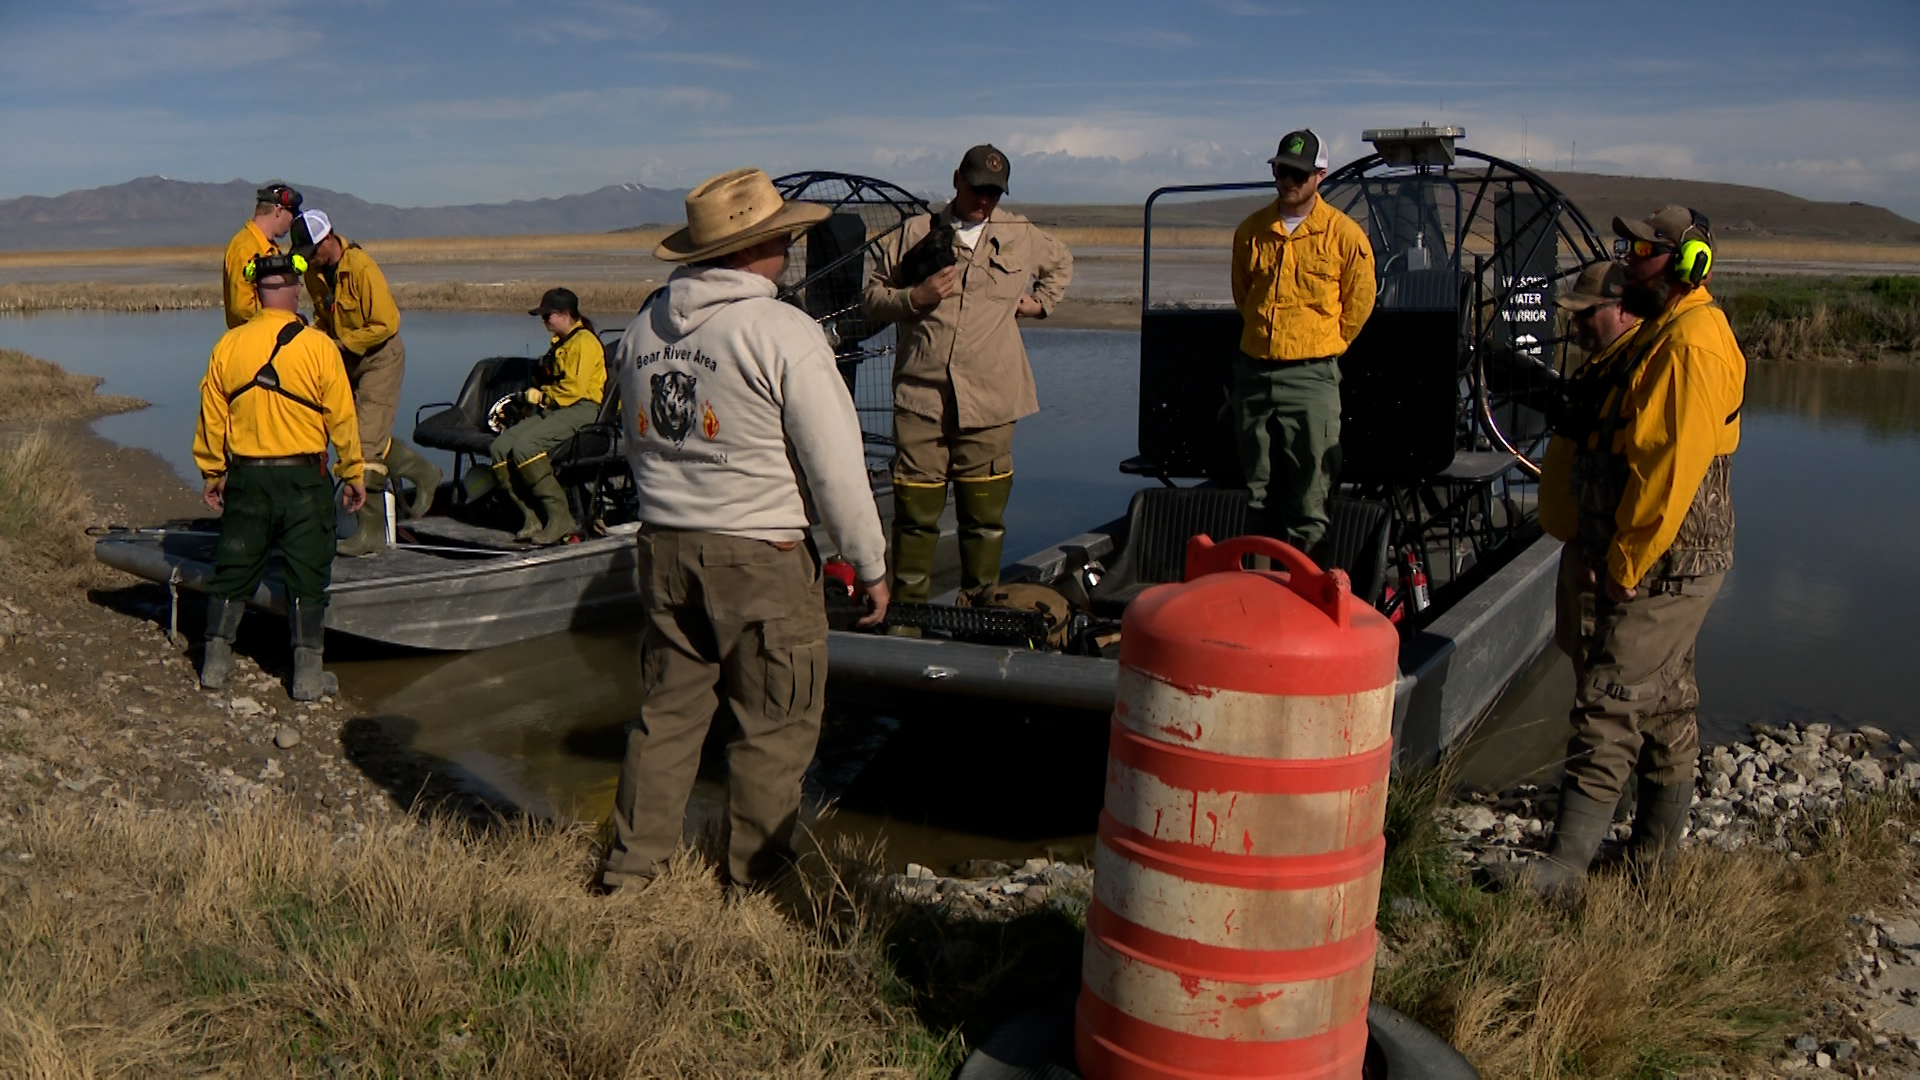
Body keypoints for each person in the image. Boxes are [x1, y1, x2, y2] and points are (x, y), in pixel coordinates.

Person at [601, 167, 890, 893]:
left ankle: (628, 874)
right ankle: (755, 885)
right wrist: (868, 561)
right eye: (784, 237)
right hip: (761, 552)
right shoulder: (780, 330)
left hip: (662, 544)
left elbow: (638, 442)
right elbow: (835, 465)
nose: (792, 249)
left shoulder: (642, 331)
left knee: (665, 718)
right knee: (775, 726)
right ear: (757, 248)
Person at [1527, 206, 1746, 904]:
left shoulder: (1691, 347)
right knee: (1666, 705)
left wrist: (1623, 567)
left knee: (1610, 699)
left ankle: (1562, 872)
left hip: (1664, 563)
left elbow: (1668, 472)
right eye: (1625, 246)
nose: (1627, 263)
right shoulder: (1662, 336)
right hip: (1658, 558)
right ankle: (1652, 865)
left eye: (1644, 251)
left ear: (1690, 266)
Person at [861, 144, 1073, 603]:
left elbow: (1061, 262)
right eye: (977, 189)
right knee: (914, 516)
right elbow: (872, 298)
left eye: (994, 193)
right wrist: (914, 298)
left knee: (983, 519)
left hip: (993, 399)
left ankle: (979, 611)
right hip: (921, 399)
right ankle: (908, 617)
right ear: (957, 179)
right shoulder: (913, 235)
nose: (984, 201)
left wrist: (1039, 305)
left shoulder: (1020, 233)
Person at [192, 252, 366, 701]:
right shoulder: (319, 345)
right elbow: (342, 417)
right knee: (308, 573)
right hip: (304, 481)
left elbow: (212, 415)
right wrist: (353, 473)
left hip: (247, 478)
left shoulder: (227, 345)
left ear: (255, 293)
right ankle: (307, 676)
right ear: (294, 291)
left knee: (233, 567)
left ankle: (214, 664)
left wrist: (213, 472)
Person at [1229, 129, 1376, 561]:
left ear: (1319, 176)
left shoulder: (1344, 236)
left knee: (1312, 493)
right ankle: (1258, 591)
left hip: (1313, 377)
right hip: (1254, 375)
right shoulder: (1251, 231)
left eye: (1298, 173)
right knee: (1258, 493)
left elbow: (1359, 303)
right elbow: (1244, 296)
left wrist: (1324, 344)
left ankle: (1309, 595)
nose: (1288, 181)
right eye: (1281, 171)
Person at [292, 209, 442, 555]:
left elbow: (386, 324)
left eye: (312, 251)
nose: (310, 260)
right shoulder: (315, 273)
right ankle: (425, 472)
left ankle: (370, 532)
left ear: (328, 239)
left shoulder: (360, 267)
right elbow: (324, 315)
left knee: (363, 447)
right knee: (354, 432)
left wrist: (341, 345)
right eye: (305, 255)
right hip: (347, 360)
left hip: (379, 359)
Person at [460, 287, 607, 544]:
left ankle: (561, 518)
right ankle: (531, 515)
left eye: (548, 315)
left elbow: (573, 390)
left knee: (525, 448)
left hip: (582, 409)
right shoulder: (562, 343)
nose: (544, 321)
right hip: (558, 408)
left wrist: (541, 396)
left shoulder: (585, 343)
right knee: (500, 447)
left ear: (564, 314)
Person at [222, 182, 301, 330]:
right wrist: (279, 322)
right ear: (278, 211)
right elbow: (242, 308)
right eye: (292, 215)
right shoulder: (245, 247)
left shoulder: (269, 247)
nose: (291, 222)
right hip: (252, 340)